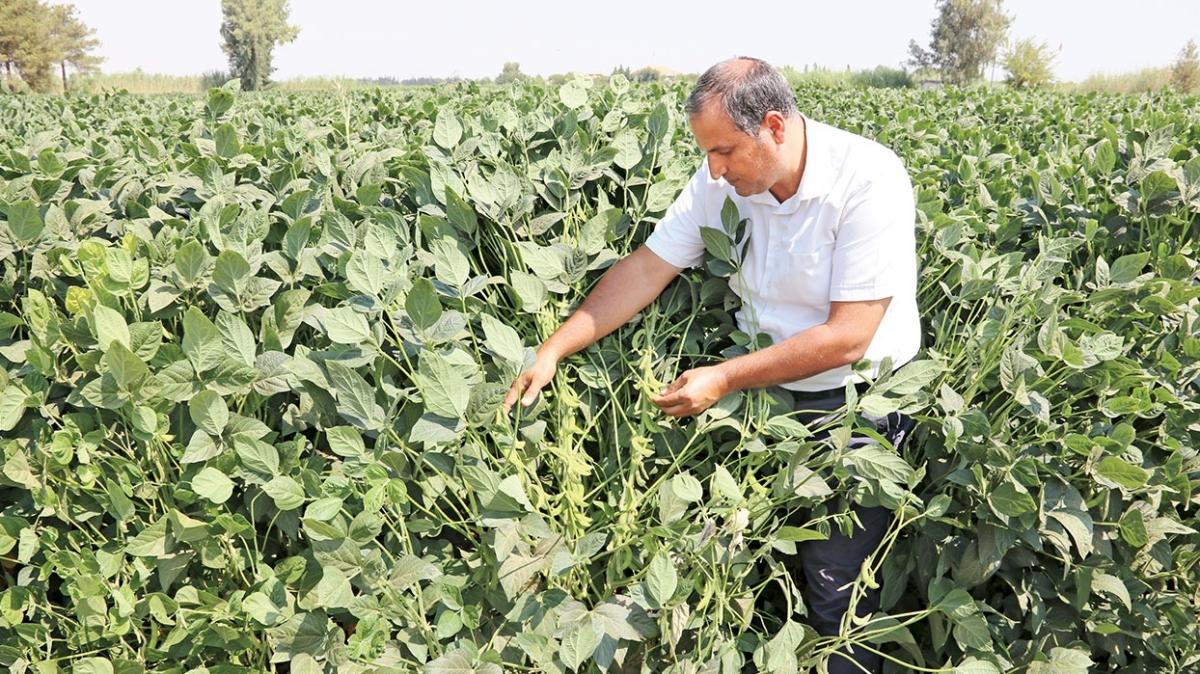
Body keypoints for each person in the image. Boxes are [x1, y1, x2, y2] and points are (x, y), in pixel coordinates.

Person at [503, 56, 921, 674]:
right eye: (707, 152)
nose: (713, 169)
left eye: (724, 150)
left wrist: (723, 378)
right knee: (731, 561)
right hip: (762, 395)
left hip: (856, 404)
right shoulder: (721, 182)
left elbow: (847, 337)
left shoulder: (867, 178)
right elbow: (648, 268)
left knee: (837, 589)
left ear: (774, 126)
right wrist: (554, 349)